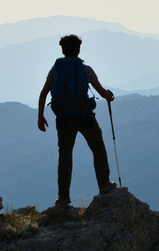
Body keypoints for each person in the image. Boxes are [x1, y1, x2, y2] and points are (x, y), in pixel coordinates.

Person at [37, 34, 117, 206]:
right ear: (79, 50)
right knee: (98, 147)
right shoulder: (85, 69)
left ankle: (63, 197)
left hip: (63, 117)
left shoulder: (55, 70)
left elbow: (43, 93)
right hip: (83, 115)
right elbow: (102, 93)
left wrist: (40, 117)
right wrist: (109, 96)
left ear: (63, 50)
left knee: (65, 155)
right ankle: (104, 184)